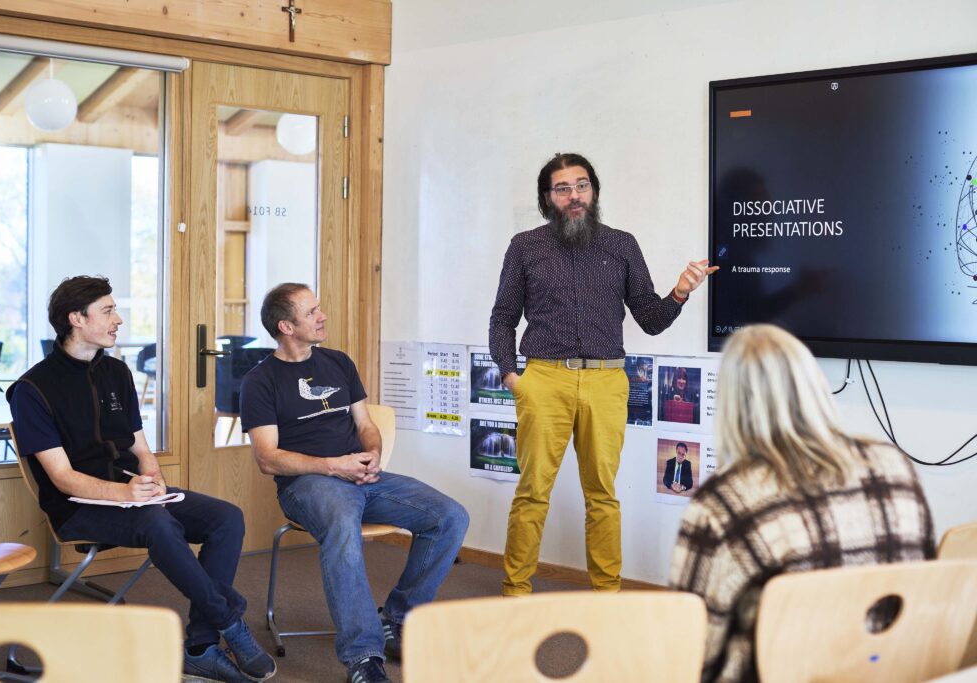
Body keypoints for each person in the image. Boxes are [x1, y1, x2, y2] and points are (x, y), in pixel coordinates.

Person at [7, 275, 276, 683]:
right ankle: (229, 622)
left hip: (134, 493)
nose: (119, 319)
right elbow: (62, 478)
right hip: (77, 507)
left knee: (226, 518)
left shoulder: (117, 372)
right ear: (76, 319)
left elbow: (140, 448)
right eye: (108, 311)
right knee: (157, 522)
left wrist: (153, 477)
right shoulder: (32, 389)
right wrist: (126, 492)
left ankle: (200, 647)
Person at [489, 152, 717, 595]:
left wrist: (679, 292)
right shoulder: (525, 247)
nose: (574, 196)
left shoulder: (621, 245)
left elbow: (650, 318)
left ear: (594, 191)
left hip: (607, 381)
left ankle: (607, 595)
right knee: (533, 492)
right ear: (547, 198)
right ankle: (515, 592)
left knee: (602, 495)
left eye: (582, 186)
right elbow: (503, 318)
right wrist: (511, 375)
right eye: (563, 189)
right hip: (544, 380)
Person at [669, 324, 935, 682]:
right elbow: (924, 589)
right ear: (815, 384)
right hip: (894, 671)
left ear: (731, 404)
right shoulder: (894, 465)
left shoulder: (723, 502)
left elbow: (691, 647)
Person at [240, 283, 469, 683]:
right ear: (286, 327)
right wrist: (334, 467)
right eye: (311, 312)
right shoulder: (260, 381)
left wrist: (372, 455)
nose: (322, 316)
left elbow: (365, 425)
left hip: (362, 476)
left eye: (319, 308)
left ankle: (397, 619)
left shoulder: (338, 363)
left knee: (450, 516)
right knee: (343, 527)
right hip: (307, 484)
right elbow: (267, 458)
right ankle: (363, 658)